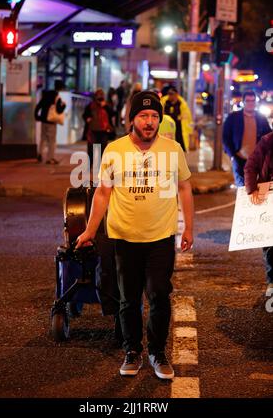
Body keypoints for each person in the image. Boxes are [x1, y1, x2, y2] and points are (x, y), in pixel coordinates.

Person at [76, 91, 194, 380]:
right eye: (143, 116)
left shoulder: (172, 149)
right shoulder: (115, 150)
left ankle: (157, 352)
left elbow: (184, 188)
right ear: (132, 120)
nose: (149, 121)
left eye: (155, 116)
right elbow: (103, 193)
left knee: (159, 295)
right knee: (128, 299)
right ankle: (132, 351)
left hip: (160, 237)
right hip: (124, 237)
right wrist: (90, 230)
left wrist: (189, 227)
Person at [244, 131, 273, 294]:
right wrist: (252, 189)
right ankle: (272, 281)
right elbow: (250, 165)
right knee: (270, 243)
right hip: (269, 199)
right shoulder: (267, 141)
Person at [223, 90, 271, 186]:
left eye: (253, 101)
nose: (251, 103)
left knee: (256, 187)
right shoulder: (233, 117)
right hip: (239, 158)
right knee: (242, 187)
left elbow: (268, 137)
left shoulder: (261, 118)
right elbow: (225, 137)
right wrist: (232, 156)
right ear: (243, 102)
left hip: (257, 160)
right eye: (248, 101)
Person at [34, 80, 66, 164]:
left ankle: (40, 154)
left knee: (43, 138)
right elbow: (59, 111)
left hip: (43, 120)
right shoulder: (57, 97)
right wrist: (63, 106)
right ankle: (50, 158)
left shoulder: (46, 95)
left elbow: (39, 106)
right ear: (60, 88)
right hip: (51, 121)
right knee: (52, 141)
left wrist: (36, 116)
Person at [82, 88, 114, 167]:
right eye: (98, 96)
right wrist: (88, 119)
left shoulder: (106, 105)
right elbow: (85, 115)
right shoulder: (90, 105)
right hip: (92, 130)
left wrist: (105, 106)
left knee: (102, 149)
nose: (99, 98)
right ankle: (89, 166)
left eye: (101, 96)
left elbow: (112, 114)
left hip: (104, 130)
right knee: (91, 149)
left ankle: (100, 167)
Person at [161, 86, 193, 151]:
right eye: (169, 94)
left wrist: (180, 118)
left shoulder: (181, 103)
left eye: (172, 94)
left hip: (179, 128)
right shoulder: (164, 101)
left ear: (176, 94)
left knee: (179, 147)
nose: (170, 96)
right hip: (167, 127)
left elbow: (187, 116)